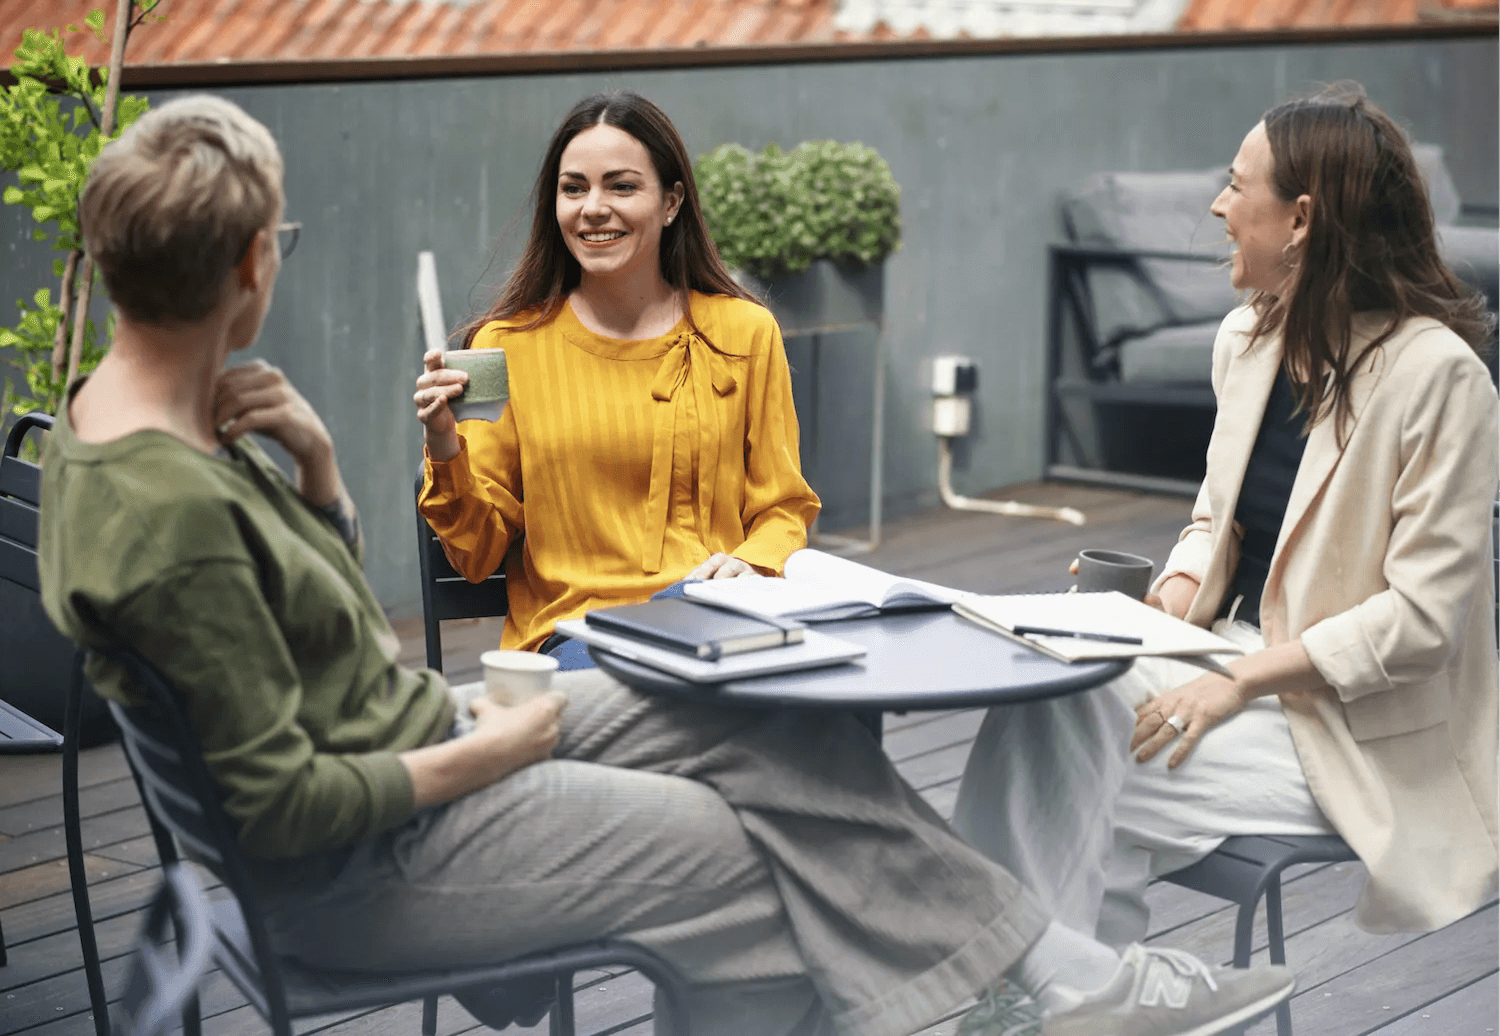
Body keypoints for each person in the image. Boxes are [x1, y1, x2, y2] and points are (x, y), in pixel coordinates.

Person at [40, 93, 1295, 1036]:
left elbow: (306, 640)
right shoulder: (175, 503)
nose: (594, 208)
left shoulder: (114, 434)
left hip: (440, 728)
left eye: (621, 185)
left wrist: (318, 478)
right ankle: (1050, 989)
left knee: (772, 738)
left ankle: (1054, 987)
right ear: (252, 265)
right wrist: (493, 747)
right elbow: (279, 808)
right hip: (396, 822)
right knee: (763, 850)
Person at [954, 83, 1499, 949]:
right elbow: (1216, 524)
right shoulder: (1248, 341)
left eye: (1237, 185)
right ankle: (1078, 991)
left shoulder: (1440, 379)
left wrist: (1242, 679)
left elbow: (1422, 622)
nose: (1218, 205)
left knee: (1071, 771)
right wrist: (1160, 602)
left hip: (1352, 730)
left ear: (1301, 220)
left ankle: (1041, 985)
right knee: (1053, 690)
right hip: (1220, 658)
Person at [414, 90, 818, 670]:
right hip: (579, 640)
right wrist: (443, 444)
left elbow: (783, 506)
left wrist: (754, 562)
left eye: (622, 187)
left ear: (671, 202)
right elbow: (476, 555)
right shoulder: (505, 345)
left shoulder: (745, 332)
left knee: (834, 707)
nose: (593, 208)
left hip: (719, 626)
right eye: (573, 188)